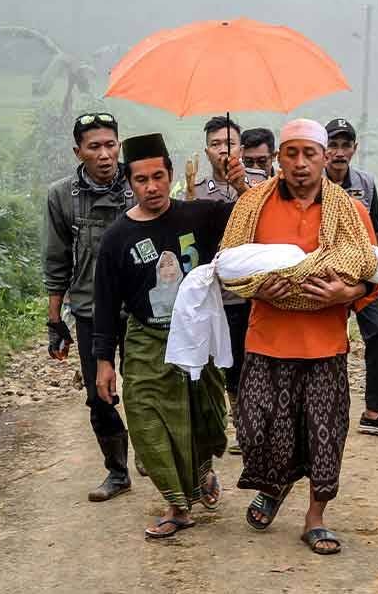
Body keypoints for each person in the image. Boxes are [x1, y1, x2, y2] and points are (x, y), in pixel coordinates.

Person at [235, 118, 378, 556]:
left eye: (309, 154)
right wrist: (256, 286)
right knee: (258, 427)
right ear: (279, 158)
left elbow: (374, 272)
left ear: (324, 158)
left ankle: (315, 518)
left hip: (324, 345)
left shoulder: (349, 211)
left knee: (325, 433)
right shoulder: (252, 206)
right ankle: (275, 486)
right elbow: (229, 265)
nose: (300, 164)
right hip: (266, 340)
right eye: (291, 153)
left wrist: (347, 290)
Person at [92, 132, 248, 538]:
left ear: (170, 174)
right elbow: (105, 305)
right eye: (141, 180)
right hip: (146, 339)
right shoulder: (116, 238)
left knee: (203, 414)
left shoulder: (199, 217)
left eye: (158, 176)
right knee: (146, 420)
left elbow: (253, 217)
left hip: (197, 338)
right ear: (129, 182)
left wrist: (239, 182)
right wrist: (104, 363)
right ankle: (176, 506)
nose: (152, 187)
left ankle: (201, 471)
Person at [43, 111, 135, 503]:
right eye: (94, 146)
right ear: (78, 151)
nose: (105, 154)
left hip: (140, 309)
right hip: (89, 310)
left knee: (150, 387)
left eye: (111, 144)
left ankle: (157, 457)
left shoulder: (139, 181)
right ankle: (117, 472)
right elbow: (57, 258)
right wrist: (54, 321)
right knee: (100, 395)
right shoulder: (61, 195)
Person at [324, 118, 378, 438]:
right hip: (328, 274)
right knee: (331, 343)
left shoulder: (366, 183)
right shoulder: (315, 183)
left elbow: (375, 231)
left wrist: (377, 273)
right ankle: (327, 409)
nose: (339, 152)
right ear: (323, 150)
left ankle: (374, 410)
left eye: (345, 145)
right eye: (333, 145)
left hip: (364, 273)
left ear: (354, 149)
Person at [190, 116, 251, 455]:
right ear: (206, 150)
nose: (223, 150)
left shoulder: (261, 184)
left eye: (229, 143)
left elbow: (269, 220)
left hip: (246, 293)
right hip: (211, 294)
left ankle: (246, 426)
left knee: (244, 363)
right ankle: (213, 428)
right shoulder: (195, 189)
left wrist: (242, 188)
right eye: (216, 144)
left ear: (240, 148)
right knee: (213, 366)